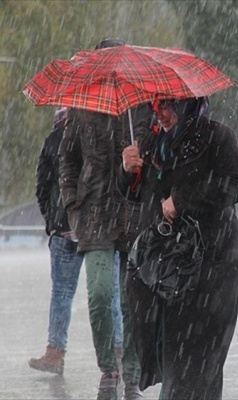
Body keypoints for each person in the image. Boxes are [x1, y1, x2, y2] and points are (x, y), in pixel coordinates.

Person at [119, 96, 238, 399]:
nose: (160, 113)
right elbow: (137, 196)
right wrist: (127, 171)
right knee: (170, 348)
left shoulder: (217, 136)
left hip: (210, 263)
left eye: (168, 105)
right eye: (156, 106)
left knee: (199, 354)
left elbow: (236, 183)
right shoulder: (152, 143)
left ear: (187, 104)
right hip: (163, 265)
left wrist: (183, 201)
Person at [58, 38, 152, 400]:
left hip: (132, 214)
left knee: (131, 300)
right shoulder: (81, 108)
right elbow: (67, 161)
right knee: (99, 295)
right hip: (93, 215)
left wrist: (134, 166)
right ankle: (107, 370)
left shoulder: (141, 109)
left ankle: (130, 374)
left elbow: (154, 165)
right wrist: (72, 204)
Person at [30, 108, 128, 377]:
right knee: (110, 293)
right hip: (101, 227)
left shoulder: (56, 138)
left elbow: (43, 185)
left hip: (69, 229)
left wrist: (57, 217)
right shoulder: (114, 130)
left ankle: (55, 352)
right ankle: (118, 351)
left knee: (64, 293)